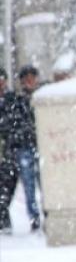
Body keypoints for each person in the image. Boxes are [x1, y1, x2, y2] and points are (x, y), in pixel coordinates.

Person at [5, 65, 42, 231]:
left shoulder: (41, 98)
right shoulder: (16, 100)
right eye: (26, 79)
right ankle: (34, 217)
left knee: (44, 184)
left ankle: (45, 214)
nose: (29, 82)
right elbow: (12, 123)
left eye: (31, 78)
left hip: (40, 146)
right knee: (29, 186)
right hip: (25, 147)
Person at [0, 67, 18, 234]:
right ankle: (3, 217)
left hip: (9, 149)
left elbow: (15, 121)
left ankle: (3, 212)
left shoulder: (12, 99)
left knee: (9, 183)